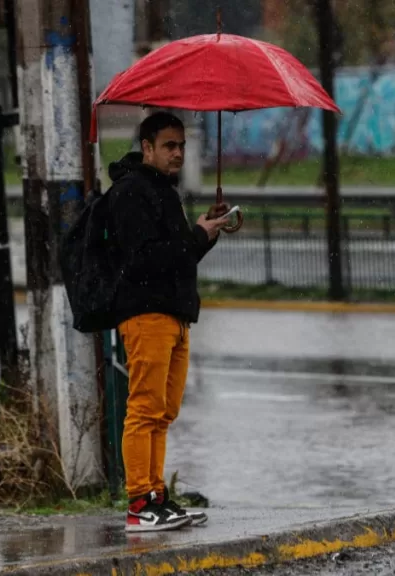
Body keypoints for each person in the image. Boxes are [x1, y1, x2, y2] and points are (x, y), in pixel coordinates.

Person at [108, 111, 228, 532]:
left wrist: (206, 233)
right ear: (147, 148)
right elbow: (145, 259)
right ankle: (139, 502)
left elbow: (179, 257)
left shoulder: (162, 192)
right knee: (143, 409)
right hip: (146, 314)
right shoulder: (132, 192)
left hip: (174, 316)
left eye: (181, 146)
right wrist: (194, 236)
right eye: (169, 146)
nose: (177, 153)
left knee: (163, 411)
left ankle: (157, 497)